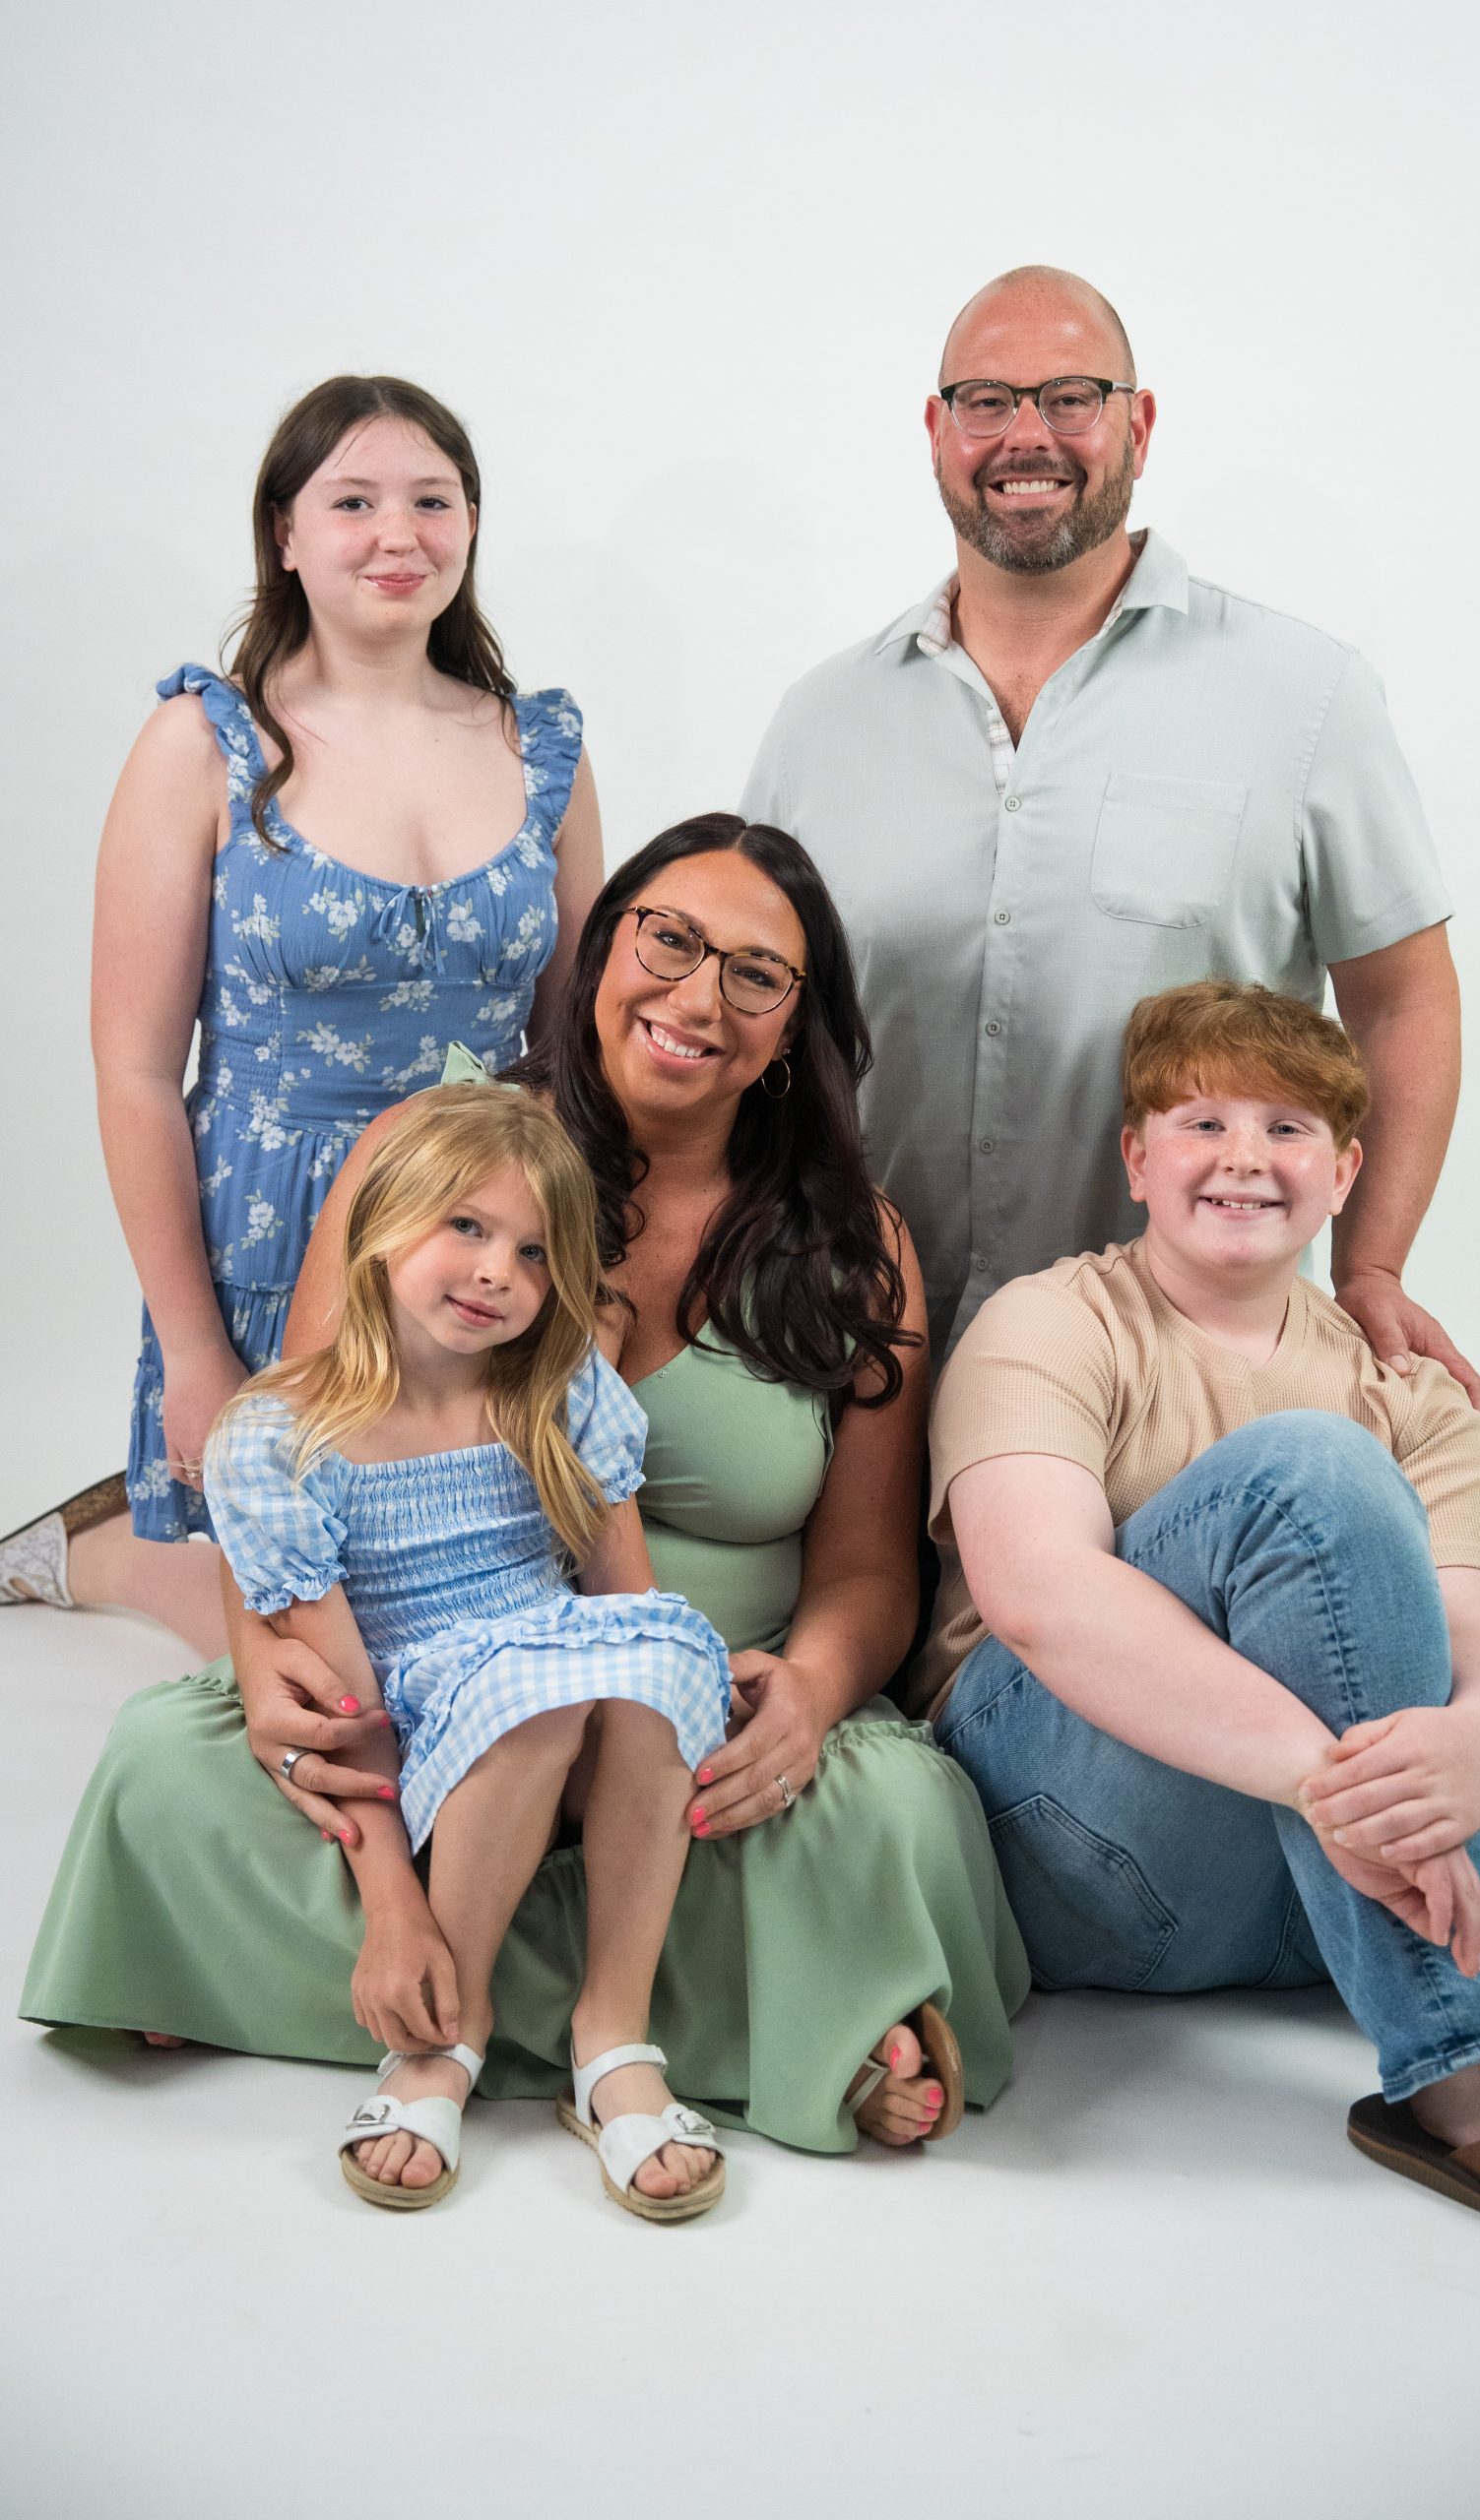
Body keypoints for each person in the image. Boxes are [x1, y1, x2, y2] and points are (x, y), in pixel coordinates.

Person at [22, 816, 1028, 2157]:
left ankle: (313, 1983)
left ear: (794, 1027)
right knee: (163, 1768)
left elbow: (866, 1569)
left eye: (754, 974)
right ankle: (778, 2007)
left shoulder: (855, 1243)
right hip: (416, 1680)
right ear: (599, 950)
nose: (697, 998)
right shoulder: (436, 1152)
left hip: (690, 1728)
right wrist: (269, 1676)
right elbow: (306, 1446)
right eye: (668, 940)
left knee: (898, 1817)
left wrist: (811, 1694)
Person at [913, 978, 1480, 2279]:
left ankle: (1424, 1936)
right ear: (1137, 1159)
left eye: (1284, 1129)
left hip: (1333, 1866)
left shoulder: (1410, 1390)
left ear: (1343, 1172)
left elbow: (1477, 1650)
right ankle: (1478, 2058)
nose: (1243, 1158)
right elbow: (1039, 1598)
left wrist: (1477, 1749)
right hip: (1086, 1843)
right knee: (1312, 1474)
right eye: (1202, 1122)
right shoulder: (1051, 1322)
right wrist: (1336, 1784)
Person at [740, 265, 1476, 1402]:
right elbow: (747, 1011)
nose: (1027, 434)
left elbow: (1401, 997)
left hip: (1185, 1373)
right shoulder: (822, 721)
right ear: (937, 430)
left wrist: (1368, 1264)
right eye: (988, 400)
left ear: (1139, 424)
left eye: (1071, 397)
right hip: (854, 1352)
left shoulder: (1303, 697)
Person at [0, 374, 602, 1654]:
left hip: (476, 1234)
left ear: (472, 522)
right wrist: (193, 1351)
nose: (398, 536)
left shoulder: (541, 748)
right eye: (354, 502)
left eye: (432, 501)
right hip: (273, 1223)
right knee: (320, 1643)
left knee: (448, 1600)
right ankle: (103, 1554)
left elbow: (574, 1050)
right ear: (285, 531)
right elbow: (134, 1072)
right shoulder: (204, 745)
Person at [204, 1083, 733, 2218]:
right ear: (383, 1222)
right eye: (468, 1227)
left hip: (564, 1697)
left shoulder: (559, 1392)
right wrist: (391, 1903)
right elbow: (347, 1703)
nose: (499, 1271)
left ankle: (612, 2036)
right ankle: (446, 2036)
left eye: (534, 1252)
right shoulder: (283, 1436)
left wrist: (670, 1694)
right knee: (536, 1700)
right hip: (430, 1717)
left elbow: (628, 1607)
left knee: (648, 1662)